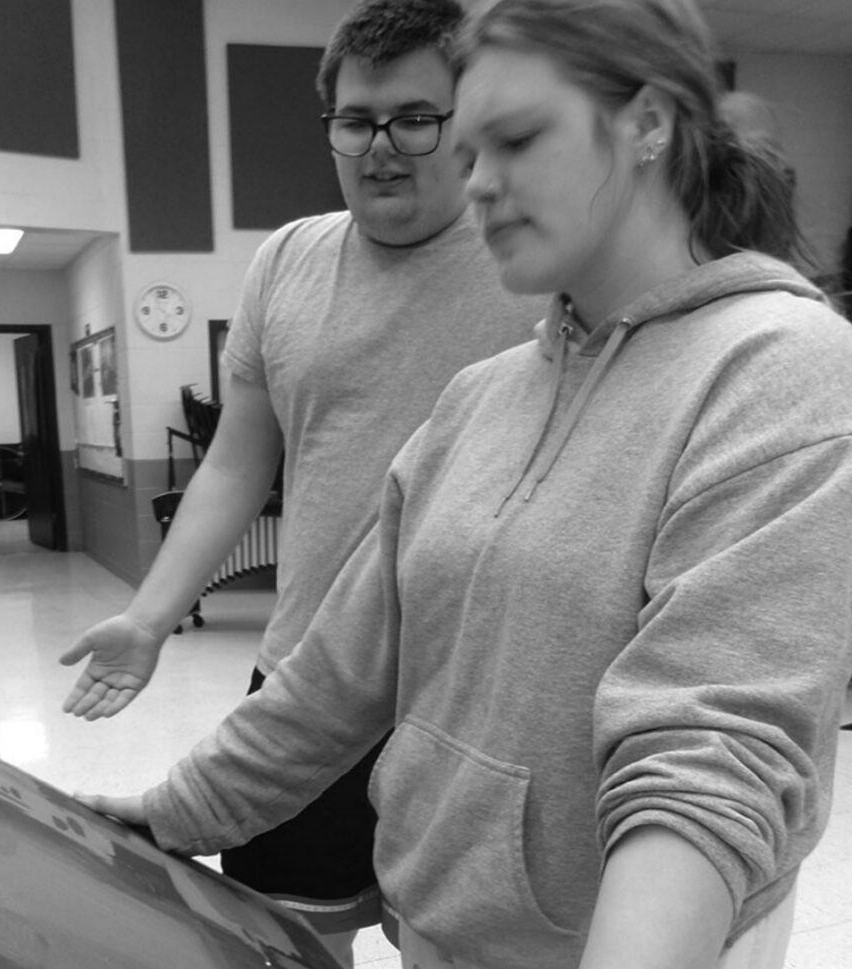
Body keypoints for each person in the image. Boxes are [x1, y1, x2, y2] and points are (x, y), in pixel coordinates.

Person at [76, 1, 852, 966]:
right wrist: (172, 812)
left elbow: (709, 755)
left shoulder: (780, 366)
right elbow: (335, 677)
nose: (479, 184)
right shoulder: (480, 398)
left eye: (515, 141)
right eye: (475, 150)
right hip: (448, 928)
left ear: (650, 123)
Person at [60, 0, 546, 963]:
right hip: (299, 685)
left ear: (470, 121)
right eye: (356, 121)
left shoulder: (534, 265)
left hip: (467, 706)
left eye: (417, 117)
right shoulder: (286, 259)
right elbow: (238, 462)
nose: (382, 148)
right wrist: (151, 615)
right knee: (283, 942)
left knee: (445, 947)